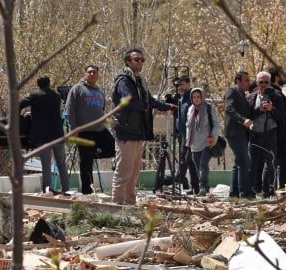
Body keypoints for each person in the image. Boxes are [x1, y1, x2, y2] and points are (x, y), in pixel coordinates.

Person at [110, 47, 174, 205]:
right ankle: (116, 205)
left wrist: (167, 106)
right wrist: (145, 106)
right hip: (126, 130)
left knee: (134, 172)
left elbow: (149, 101)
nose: (140, 62)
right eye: (136, 59)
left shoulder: (139, 81)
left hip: (138, 131)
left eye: (142, 60)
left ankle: (130, 204)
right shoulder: (124, 80)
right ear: (127, 62)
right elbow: (128, 100)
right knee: (123, 172)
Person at [66, 65, 112, 195]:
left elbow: (101, 109)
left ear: (97, 75)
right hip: (84, 131)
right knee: (86, 164)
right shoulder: (77, 89)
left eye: (94, 72)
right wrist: (73, 129)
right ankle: (87, 192)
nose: (92, 74)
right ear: (85, 74)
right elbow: (69, 110)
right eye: (89, 72)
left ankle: (93, 153)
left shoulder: (100, 91)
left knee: (113, 147)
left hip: (100, 129)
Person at [20, 76, 70, 194]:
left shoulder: (34, 95)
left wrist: (21, 117)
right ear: (49, 83)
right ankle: (66, 189)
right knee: (61, 163)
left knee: (46, 164)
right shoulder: (57, 95)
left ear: (38, 84)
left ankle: (47, 190)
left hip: (42, 135)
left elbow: (19, 104)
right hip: (57, 133)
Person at [248, 71, 284, 197]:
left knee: (270, 164)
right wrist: (259, 110)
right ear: (257, 83)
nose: (263, 85)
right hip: (255, 134)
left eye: (266, 82)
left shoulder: (276, 96)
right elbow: (247, 115)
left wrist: (271, 109)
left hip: (270, 134)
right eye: (260, 82)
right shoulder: (251, 97)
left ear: (270, 83)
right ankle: (251, 190)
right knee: (253, 164)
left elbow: (281, 117)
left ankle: (268, 191)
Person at [184, 87, 220, 194]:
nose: (196, 99)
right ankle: (202, 187)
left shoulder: (209, 108)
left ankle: (204, 187)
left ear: (202, 97)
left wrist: (214, 138)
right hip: (194, 144)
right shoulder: (190, 109)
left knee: (203, 165)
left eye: (198, 97)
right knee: (197, 167)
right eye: (194, 97)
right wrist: (188, 141)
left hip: (207, 143)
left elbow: (216, 124)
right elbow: (188, 126)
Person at [224, 71, 255, 198]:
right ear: (238, 81)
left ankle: (234, 193)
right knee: (244, 162)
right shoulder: (232, 91)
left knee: (239, 162)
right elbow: (229, 108)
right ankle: (244, 193)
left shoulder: (242, 94)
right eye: (246, 80)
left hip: (241, 133)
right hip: (234, 133)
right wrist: (243, 120)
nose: (249, 83)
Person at [270, 69, 286, 188]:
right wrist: (284, 114)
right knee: (283, 163)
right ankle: (281, 189)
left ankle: (273, 188)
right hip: (281, 132)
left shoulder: (270, 92)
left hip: (273, 132)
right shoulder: (276, 93)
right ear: (276, 77)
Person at [173, 76, 198, 191]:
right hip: (182, 133)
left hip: (190, 134)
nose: (180, 87)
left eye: (182, 84)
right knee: (190, 161)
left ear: (188, 84)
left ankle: (177, 180)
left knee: (184, 158)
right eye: (178, 85)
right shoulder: (181, 98)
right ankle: (194, 186)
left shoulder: (192, 97)